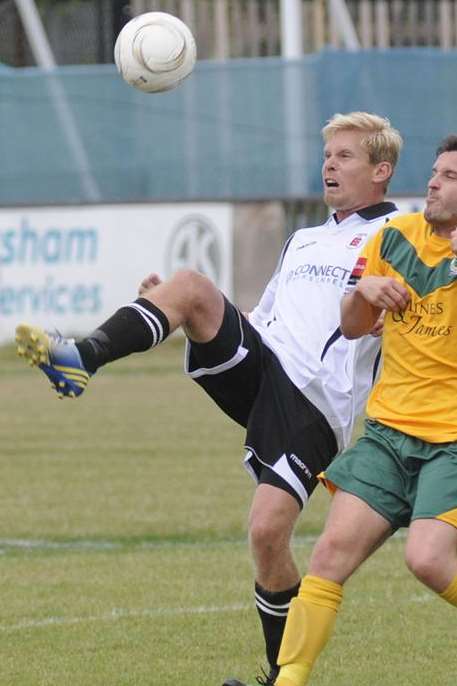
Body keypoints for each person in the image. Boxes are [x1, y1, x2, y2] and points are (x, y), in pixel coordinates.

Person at [14, 112, 402, 686]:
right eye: (328, 155)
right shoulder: (304, 238)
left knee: (268, 534)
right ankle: (80, 358)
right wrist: (173, 310)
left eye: (345, 156)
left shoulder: (397, 235)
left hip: (316, 403)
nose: (329, 165)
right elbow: (262, 320)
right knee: (191, 288)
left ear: (381, 171)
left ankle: (281, 674)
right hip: (265, 365)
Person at [273, 134, 457, 686]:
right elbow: (352, 325)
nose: (433, 182)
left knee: (426, 559)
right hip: (388, 432)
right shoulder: (394, 236)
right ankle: (289, 681)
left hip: (451, 440)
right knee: (328, 557)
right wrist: (364, 291)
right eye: (435, 171)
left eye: (450, 177)